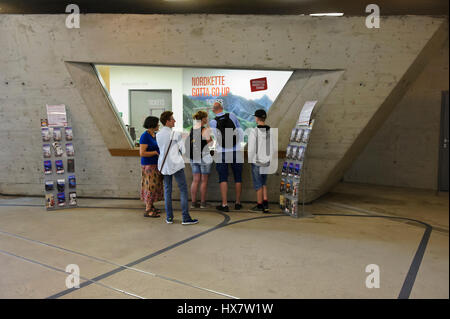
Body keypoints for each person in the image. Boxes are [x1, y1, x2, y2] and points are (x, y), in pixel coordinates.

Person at [156, 111, 198, 225]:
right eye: (172, 119)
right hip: (176, 165)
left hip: (164, 166)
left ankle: (169, 217)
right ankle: (185, 217)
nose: (174, 121)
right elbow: (183, 151)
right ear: (167, 121)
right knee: (183, 190)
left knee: (167, 190)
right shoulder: (176, 134)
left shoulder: (158, 134)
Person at [209, 100, 244, 212]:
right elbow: (240, 131)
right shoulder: (232, 115)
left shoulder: (213, 122)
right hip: (236, 150)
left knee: (223, 178)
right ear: (222, 108)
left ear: (214, 110)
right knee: (238, 177)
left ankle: (225, 204)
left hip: (222, 151)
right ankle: (238, 203)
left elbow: (216, 138)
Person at [248, 109, 274, 213]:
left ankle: (259, 205)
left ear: (257, 118)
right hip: (266, 161)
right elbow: (272, 147)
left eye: (255, 117)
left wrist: (251, 159)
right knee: (263, 183)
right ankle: (266, 203)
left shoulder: (254, 131)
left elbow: (251, 148)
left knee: (258, 184)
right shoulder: (270, 131)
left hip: (257, 161)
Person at [139, 116, 164, 217]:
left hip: (155, 164)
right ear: (152, 124)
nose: (158, 125)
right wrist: (155, 152)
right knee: (149, 187)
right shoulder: (144, 136)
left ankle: (151, 205)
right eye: (157, 123)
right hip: (148, 165)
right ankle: (148, 209)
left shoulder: (155, 135)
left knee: (154, 186)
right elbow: (142, 153)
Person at [188, 110, 213, 209]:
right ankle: (203, 203)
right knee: (204, 181)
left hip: (193, 157)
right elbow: (210, 143)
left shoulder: (192, 129)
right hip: (204, 158)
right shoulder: (204, 130)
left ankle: (193, 203)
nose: (207, 119)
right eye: (206, 118)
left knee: (195, 180)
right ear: (203, 119)